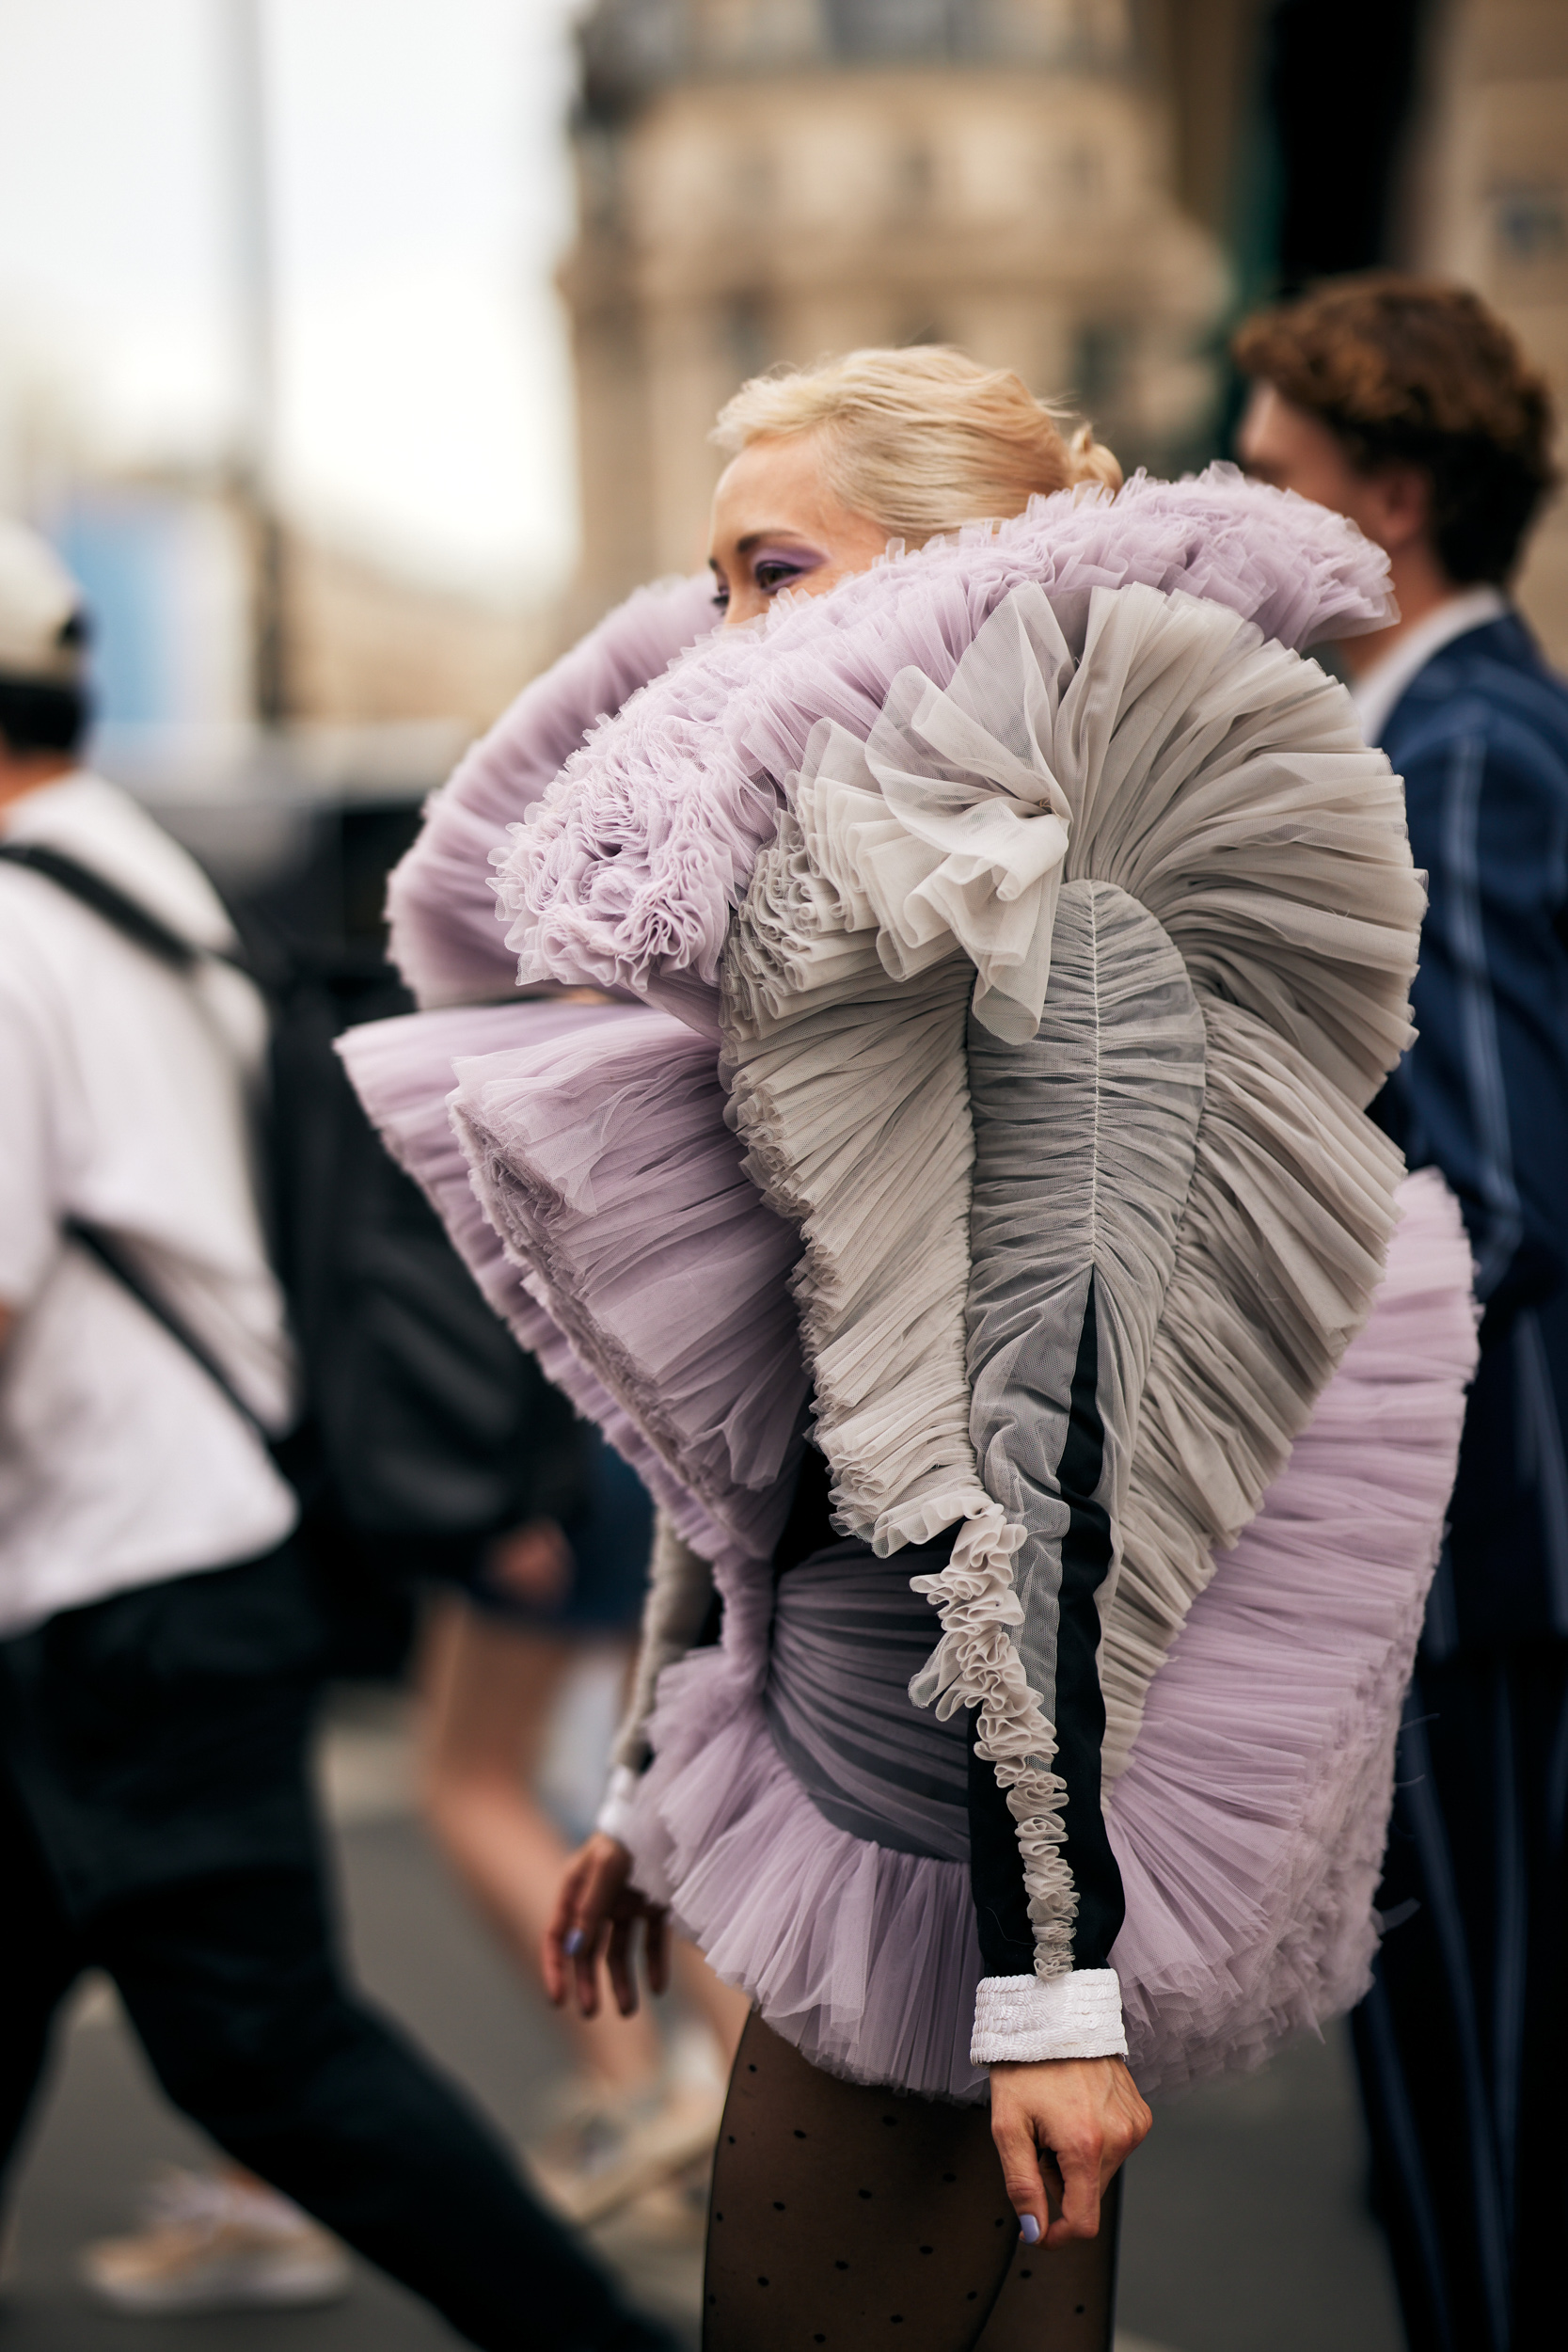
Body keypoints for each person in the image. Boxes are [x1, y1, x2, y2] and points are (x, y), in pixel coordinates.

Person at [348, 347, 1478, 2352]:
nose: (724, 637)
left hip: (954, 1836)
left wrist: (1050, 1986)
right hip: (874, 1774)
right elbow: (736, 1426)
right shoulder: (837, 925)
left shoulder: (1059, 912)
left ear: (954, 572)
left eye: (776, 569)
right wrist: (641, 1779)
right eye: (712, 586)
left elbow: (1051, 1460)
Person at [0, 517, 678, 2352]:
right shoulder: (143, 889)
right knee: (267, 2041)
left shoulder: (8, 929)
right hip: (174, 1552)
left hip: (116, 1581)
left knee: (277, 2051)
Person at [1234, 275, 1568, 2352]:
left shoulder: (1453, 757)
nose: (1239, 521)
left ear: (1398, 493)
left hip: (1479, 1584)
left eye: (1273, 483)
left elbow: (1495, 1194)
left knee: (1485, 2183)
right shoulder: (1435, 738)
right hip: (1468, 1572)